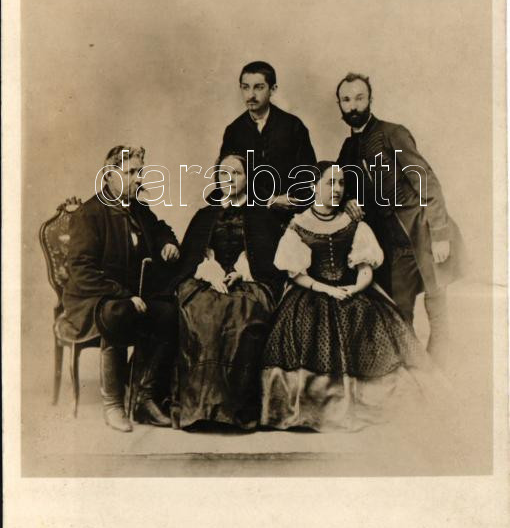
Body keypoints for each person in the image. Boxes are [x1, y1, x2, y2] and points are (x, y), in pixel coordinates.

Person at [261, 162, 446, 432]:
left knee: (369, 324)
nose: (337, 189)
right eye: (330, 183)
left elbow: (365, 269)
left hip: (353, 292)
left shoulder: (354, 224)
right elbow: (296, 274)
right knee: (301, 337)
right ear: (313, 186)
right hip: (311, 294)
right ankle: (316, 408)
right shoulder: (298, 226)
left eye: (341, 183)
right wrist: (326, 289)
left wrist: (355, 289)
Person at [336, 73, 464, 367]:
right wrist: (347, 200)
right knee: (399, 312)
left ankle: (441, 374)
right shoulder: (348, 149)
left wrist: (440, 233)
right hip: (390, 242)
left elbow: (426, 180)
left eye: (359, 98)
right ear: (339, 105)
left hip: (422, 230)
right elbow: (339, 184)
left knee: (437, 309)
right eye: (346, 100)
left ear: (370, 99)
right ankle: (417, 374)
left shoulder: (393, 133)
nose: (353, 106)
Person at [60, 146, 180, 432]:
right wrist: (124, 294)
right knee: (118, 313)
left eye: (140, 172)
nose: (138, 178)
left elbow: (160, 228)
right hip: (92, 299)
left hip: (131, 296)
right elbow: (81, 271)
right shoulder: (89, 214)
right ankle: (113, 404)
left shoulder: (138, 209)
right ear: (109, 176)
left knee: (169, 313)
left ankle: (144, 398)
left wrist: (168, 243)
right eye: (130, 172)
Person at [171, 153, 285, 430]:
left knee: (240, 317)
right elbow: (192, 256)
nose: (230, 179)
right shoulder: (205, 215)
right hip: (208, 282)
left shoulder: (261, 215)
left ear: (247, 178)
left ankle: (234, 412)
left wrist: (242, 271)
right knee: (202, 316)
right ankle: (200, 410)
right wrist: (209, 270)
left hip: (249, 283)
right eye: (224, 173)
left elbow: (269, 260)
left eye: (236, 173)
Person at [219, 61, 317, 211]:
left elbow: (307, 174)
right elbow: (225, 179)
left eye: (259, 87)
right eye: (245, 87)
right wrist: (268, 201)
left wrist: (291, 200)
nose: (251, 95)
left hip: (289, 211)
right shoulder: (234, 131)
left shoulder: (293, 126)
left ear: (273, 89)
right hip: (248, 213)